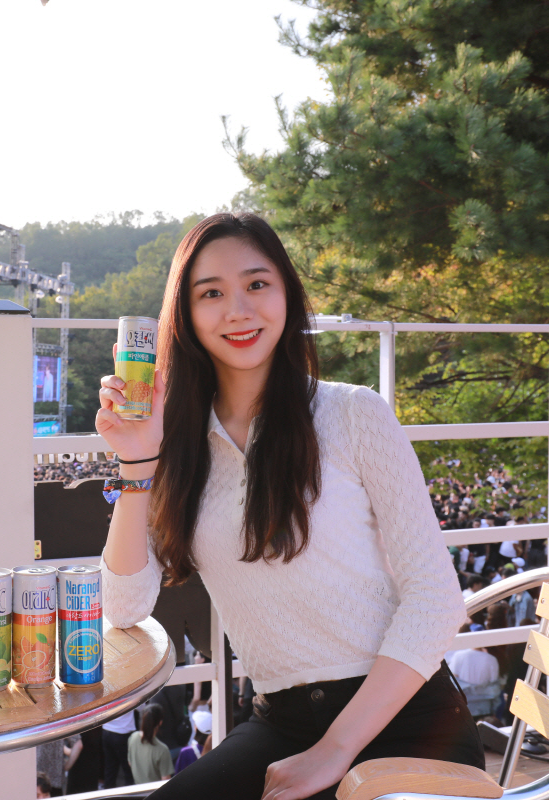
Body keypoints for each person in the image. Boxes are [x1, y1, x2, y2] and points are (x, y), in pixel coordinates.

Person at [95, 213, 481, 800]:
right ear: (186, 315)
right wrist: (136, 462)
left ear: (287, 296)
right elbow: (125, 606)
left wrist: (335, 750)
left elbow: (437, 598)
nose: (238, 310)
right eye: (211, 294)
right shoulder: (178, 444)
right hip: (282, 722)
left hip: (406, 720)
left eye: (257, 284)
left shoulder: (354, 414)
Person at [128, 705, 175, 784]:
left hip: (137, 788)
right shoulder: (162, 750)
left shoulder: (133, 738)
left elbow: (130, 763)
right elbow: (165, 781)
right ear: (160, 722)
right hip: (155, 791)